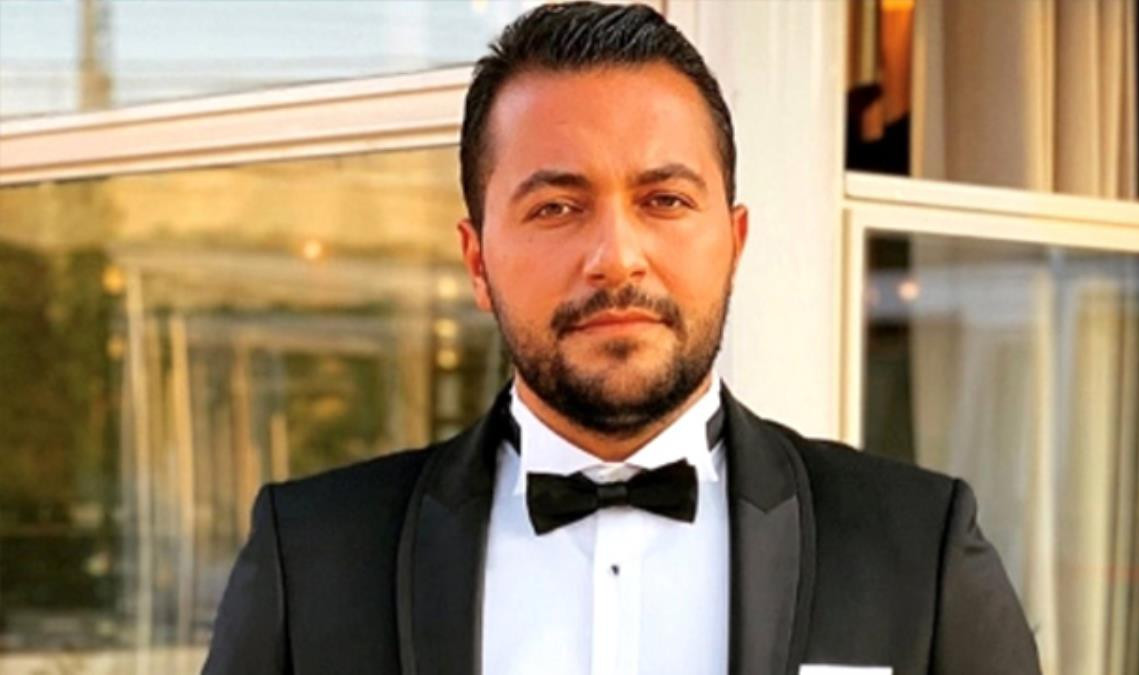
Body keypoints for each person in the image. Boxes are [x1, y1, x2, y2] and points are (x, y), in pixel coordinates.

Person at [203, 3, 1040, 674]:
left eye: (664, 201)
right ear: (477, 259)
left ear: (733, 242)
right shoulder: (310, 557)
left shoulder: (919, 550)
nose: (615, 256)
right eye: (555, 207)